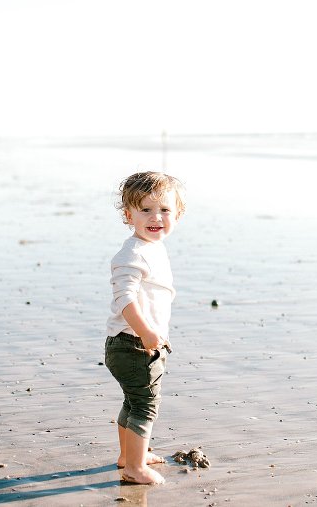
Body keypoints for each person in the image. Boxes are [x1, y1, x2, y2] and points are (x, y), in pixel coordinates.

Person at [105, 171, 186, 485]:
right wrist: (146, 332)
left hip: (133, 342)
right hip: (132, 343)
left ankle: (129, 455)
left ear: (177, 214)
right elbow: (125, 299)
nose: (157, 217)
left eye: (165, 210)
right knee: (145, 404)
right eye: (146, 210)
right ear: (129, 215)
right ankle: (134, 468)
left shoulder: (154, 247)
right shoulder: (132, 254)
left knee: (132, 400)